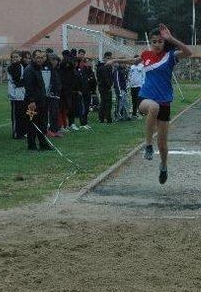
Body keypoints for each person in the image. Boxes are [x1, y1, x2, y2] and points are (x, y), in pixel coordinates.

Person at [108, 24, 192, 184]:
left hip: (164, 101)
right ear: (151, 43)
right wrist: (116, 60)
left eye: (160, 41)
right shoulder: (146, 54)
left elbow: (188, 52)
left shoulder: (170, 56)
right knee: (153, 107)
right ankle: (147, 145)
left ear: (163, 42)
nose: (157, 44)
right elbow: (133, 60)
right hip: (145, 98)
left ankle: (164, 166)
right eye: (154, 41)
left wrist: (171, 39)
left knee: (163, 144)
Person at [22, 49, 54, 151]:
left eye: (41, 57)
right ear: (33, 58)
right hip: (32, 103)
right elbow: (29, 87)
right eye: (37, 58)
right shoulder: (29, 70)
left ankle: (43, 144)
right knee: (32, 124)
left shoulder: (38, 69)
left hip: (41, 101)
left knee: (42, 124)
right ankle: (31, 146)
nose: (40, 60)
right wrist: (32, 101)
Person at [7, 50, 27, 139]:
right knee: (16, 115)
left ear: (20, 58)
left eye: (16, 57)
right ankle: (16, 133)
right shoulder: (11, 67)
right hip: (14, 94)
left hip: (22, 94)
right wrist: (24, 81)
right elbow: (17, 79)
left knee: (22, 114)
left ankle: (22, 132)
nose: (14, 58)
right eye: (13, 57)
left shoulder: (22, 66)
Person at [76, 49, 94, 129]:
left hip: (87, 89)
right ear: (78, 54)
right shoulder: (76, 65)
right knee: (82, 106)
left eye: (83, 54)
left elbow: (91, 76)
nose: (82, 56)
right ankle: (82, 123)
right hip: (80, 90)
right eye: (81, 54)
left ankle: (85, 122)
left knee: (86, 106)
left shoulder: (86, 66)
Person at [96, 51, 113, 124]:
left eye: (110, 58)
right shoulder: (103, 68)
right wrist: (109, 86)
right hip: (104, 87)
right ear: (104, 58)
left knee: (104, 103)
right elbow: (105, 79)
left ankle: (102, 118)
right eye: (108, 58)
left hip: (103, 87)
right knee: (106, 103)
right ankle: (107, 118)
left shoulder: (106, 67)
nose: (109, 60)